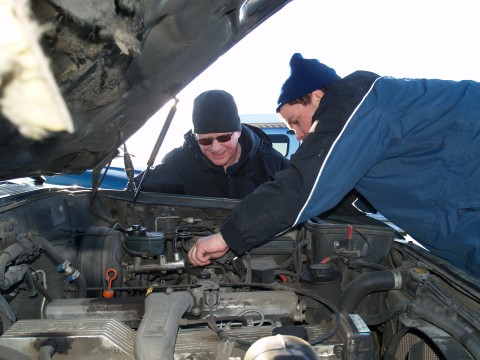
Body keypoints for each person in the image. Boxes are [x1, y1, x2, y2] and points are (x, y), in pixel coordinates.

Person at [188, 53, 480, 277]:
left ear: (317, 95)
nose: (300, 135)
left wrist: (228, 236)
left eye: (295, 122)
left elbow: (303, 186)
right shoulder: (366, 115)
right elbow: (335, 198)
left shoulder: (355, 104)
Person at [134, 89, 289, 198]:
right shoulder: (179, 163)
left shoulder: (271, 164)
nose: (216, 148)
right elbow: (133, 193)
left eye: (224, 138)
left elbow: (306, 197)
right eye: (205, 140)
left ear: (238, 132)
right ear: (195, 137)